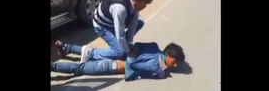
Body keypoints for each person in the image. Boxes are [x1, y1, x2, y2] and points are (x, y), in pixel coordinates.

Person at [62, 0, 154, 62]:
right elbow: (120, 34)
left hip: (112, 21)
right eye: (145, 3)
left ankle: (122, 46)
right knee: (120, 53)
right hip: (102, 25)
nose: (145, 6)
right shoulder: (120, 8)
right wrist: (127, 51)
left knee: (139, 23)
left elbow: (133, 24)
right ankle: (90, 53)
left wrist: (129, 43)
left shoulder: (133, 0)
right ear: (136, 0)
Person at [51, 42, 185, 81]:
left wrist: (130, 55)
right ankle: (54, 67)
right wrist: (161, 72)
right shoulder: (157, 68)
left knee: (92, 52)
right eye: (175, 60)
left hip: (118, 55)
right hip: (114, 66)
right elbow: (133, 66)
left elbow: (136, 45)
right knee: (80, 68)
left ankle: (66, 47)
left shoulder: (154, 47)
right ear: (167, 55)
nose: (176, 64)